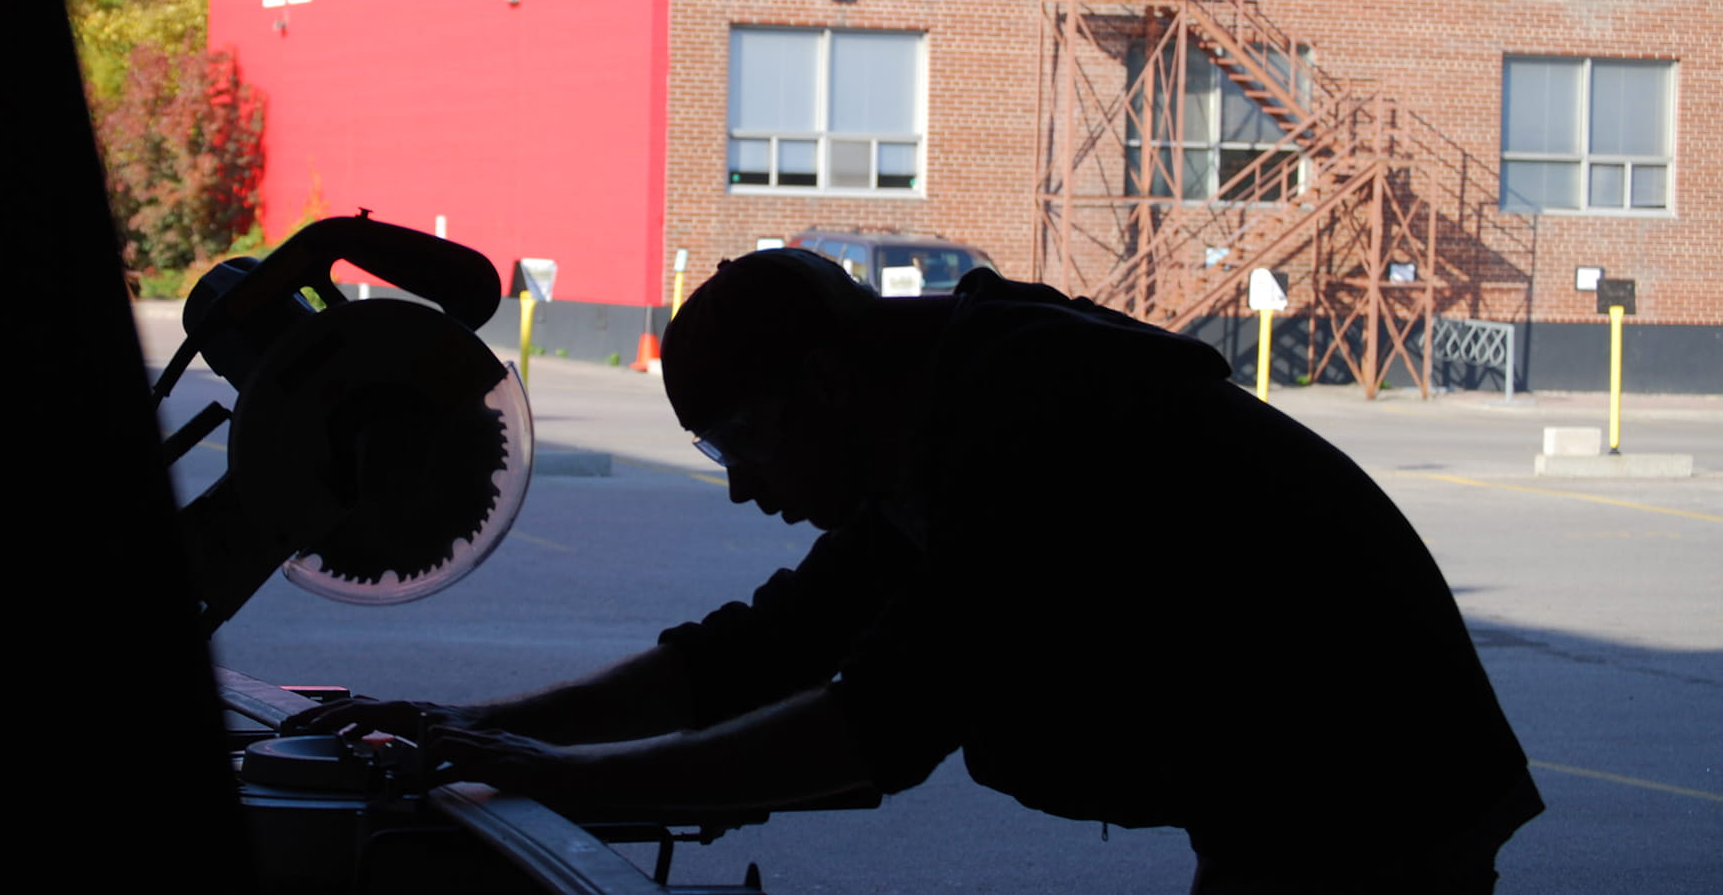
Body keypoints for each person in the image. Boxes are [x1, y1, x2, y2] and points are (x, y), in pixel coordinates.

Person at [288, 249, 1543, 893]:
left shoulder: (1026, 425)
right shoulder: (941, 411)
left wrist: (566, 777)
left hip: (1369, 794)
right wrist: (487, 730)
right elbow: (764, 646)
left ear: (822, 389)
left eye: (743, 445)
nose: (740, 488)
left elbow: (878, 724)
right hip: (1313, 789)